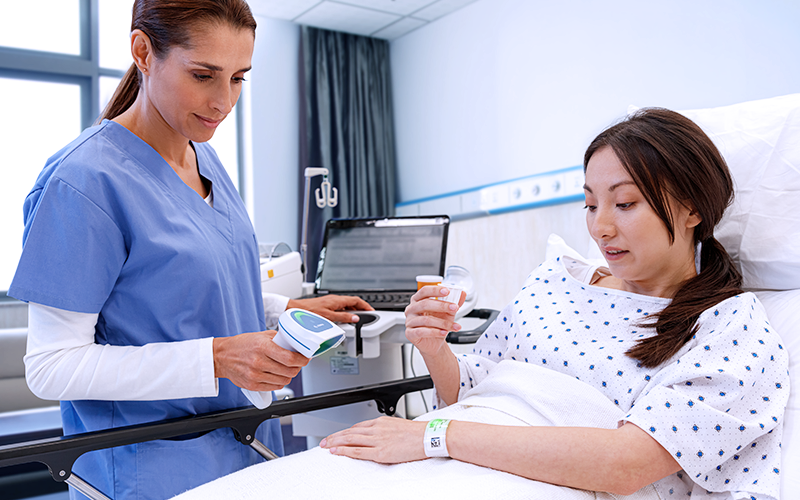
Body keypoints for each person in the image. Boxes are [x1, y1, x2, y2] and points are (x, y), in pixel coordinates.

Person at [319, 108, 789, 499]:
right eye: (590, 205)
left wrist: (431, 436)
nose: (600, 228)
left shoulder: (729, 327)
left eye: (624, 204)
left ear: (692, 209)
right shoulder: (555, 281)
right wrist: (433, 346)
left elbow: (624, 464)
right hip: (447, 455)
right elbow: (472, 388)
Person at [8, 1, 370, 498]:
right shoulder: (84, 182)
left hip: (247, 448)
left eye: (239, 78)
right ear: (142, 51)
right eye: (204, 75)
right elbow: (52, 367)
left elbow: (193, 291)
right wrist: (219, 358)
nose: (224, 101)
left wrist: (284, 311)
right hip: (151, 470)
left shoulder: (207, 159)